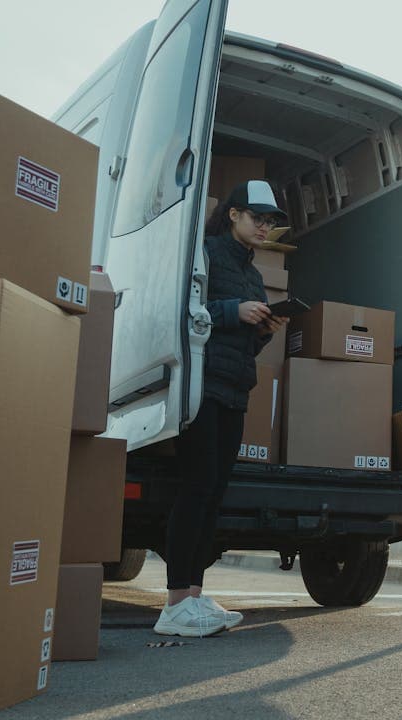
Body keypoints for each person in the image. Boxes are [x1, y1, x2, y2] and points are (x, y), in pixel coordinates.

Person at [153, 179, 289, 637]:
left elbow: (246, 345)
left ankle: (193, 595)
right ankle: (173, 604)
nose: (264, 227)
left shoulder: (253, 273)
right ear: (233, 214)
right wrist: (234, 311)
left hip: (235, 388)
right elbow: (181, 308)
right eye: (257, 218)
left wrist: (266, 326)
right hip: (201, 385)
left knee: (214, 492)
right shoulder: (205, 253)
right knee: (195, 488)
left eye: (270, 222)